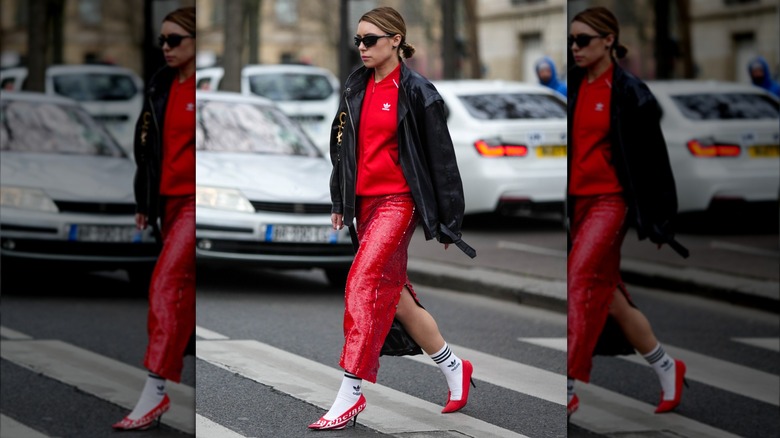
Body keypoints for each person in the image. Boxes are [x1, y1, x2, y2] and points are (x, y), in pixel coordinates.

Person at [309, 6, 477, 431]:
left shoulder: (418, 91)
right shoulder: (355, 86)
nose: (362, 48)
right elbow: (341, 148)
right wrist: (337, 199)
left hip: (398, 202)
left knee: (363, 284)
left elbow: (442, 159)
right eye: (358, 41)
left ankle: (350, 393)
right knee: (395, 296)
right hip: (363, 205)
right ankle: (454, 367)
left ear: (396, 40)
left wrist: (448, 219)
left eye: (371, 40)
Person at [566, 6, 689, 418]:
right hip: (577, 204)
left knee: (580, 280)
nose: (575, 48)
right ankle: (667, 366)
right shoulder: (575, 87)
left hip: (610, 201)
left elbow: (654, 163)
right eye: (571, 41)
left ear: (609, 41)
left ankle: (566, 383)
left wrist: (661, 219)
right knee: (609, 296)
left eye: (583, 40)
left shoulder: (630, 92)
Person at [113, 6, 196, 431]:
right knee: (181, 296)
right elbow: (145, 149)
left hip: (197, 205)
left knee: (165, 285)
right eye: (162, 40)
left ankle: (154, 393)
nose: (165, 48)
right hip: (168, 203)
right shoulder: (161, 84)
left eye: (175, 40)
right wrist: (144, 199)